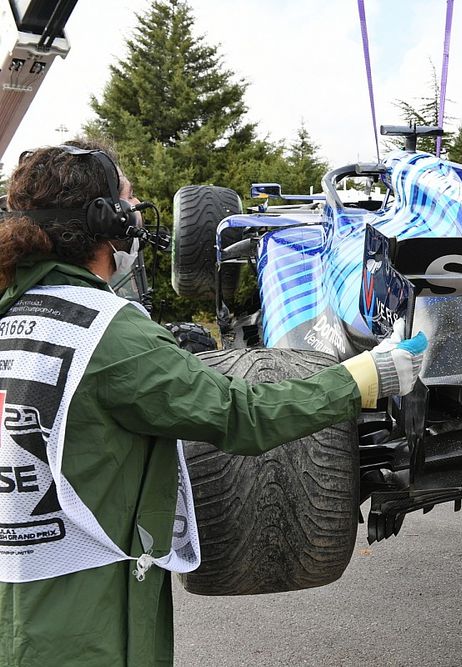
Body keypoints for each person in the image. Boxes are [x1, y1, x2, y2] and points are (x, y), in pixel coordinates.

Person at [0, 143, 426, 666]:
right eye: (128, 201)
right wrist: (359, 379)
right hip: (82, 623)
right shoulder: (107, 333)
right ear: (104, 219)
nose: (136, 214)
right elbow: (240, 414)